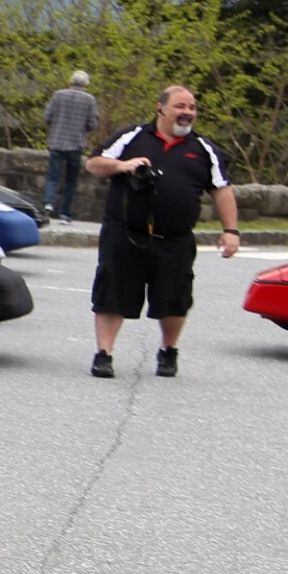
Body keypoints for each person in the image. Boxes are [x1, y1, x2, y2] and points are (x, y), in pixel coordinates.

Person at [85, 84, 241, 379]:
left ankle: (168, 350)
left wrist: (230, 230)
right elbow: (93, 164)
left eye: (192, 108)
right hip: (125, 233)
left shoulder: (204, 148)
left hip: (175, 239)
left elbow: (222, 189)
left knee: (175, 299)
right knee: (111, 293)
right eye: (180, 106)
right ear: (161, 108)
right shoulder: (132, 136)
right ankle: (104, 353)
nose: (187, 113)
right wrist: (123, 165)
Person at [43, 68, 101, 221]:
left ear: (70, 81)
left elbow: (47, 117)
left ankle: (48, 203)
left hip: (56, 141)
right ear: (86, 84)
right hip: (76, 143)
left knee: (53, 176)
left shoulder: (58, 95)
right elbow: (93, 123)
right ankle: (65, 212)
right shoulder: (89, 100)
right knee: (71, 179)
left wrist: (56, 126)